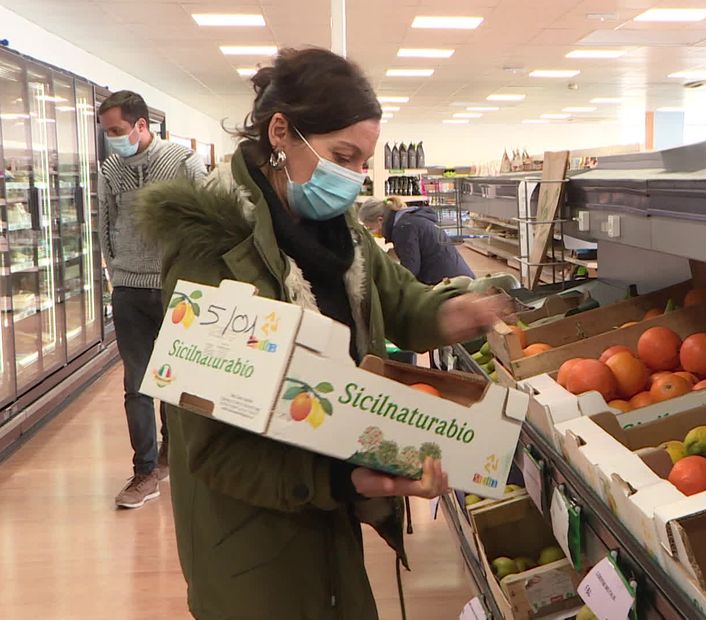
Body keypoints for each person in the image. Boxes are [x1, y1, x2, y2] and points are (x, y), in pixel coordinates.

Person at [136, 47, 510, 620]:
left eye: (364, 161)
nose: (356, 178)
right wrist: (342, 476)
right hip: (250, 534)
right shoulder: (209, 246)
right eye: (344, 156)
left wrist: (456, 311)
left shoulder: (342, 236)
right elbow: (211, 447)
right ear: (281, 131)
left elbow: (399, 299)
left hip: (328, 510)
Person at [98, 90, 207, 509]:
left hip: (177, 288)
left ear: (142, 125)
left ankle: (174, 454)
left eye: (118, 131)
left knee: (179, 382)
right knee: (137, 384)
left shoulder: (182, 162)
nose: (113, 138)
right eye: (107, 132)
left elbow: (208, 217)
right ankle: (145, 471)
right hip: (128, 289)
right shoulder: (110, 169)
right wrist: (116, 271)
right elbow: (105, 224)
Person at [358, 197, 475, 285]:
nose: (372, 233)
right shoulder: (409, 220)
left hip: (453, 286)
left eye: (370, 228)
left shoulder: (403, 228)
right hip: (458, 278)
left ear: (380, 220)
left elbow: (410, 272)